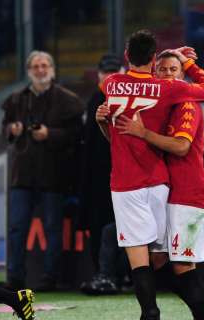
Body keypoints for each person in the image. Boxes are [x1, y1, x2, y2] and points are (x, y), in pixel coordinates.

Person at [95, 29, 204, 320]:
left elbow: (176, 145)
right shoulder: (169, 89)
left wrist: (124, 125)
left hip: (130, 184)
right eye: (162, 67)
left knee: (147, 259)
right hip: (161, 184)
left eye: (172, 69)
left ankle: (152, 313)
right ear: (153, 61)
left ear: (126, 57)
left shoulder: (110, 83)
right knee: (162, 260)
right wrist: (185, 61)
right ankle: (201, 314)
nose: (167, 73)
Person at [0, 50, 85, 292]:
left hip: (54, 173)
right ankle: (14, 277)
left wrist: (50, 134)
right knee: (16, 227)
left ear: (53, 69)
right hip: (22, 174)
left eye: (44, 65)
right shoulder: (16, 99)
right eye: (36, 66)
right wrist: (12, 130)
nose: (40, 70)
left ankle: (50, 278)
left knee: (53, 228)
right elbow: (4, 130)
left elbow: (77, 135)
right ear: (29, 71)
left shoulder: (68, 100)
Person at [80, 53, 124, 273]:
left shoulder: (126, 100)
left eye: (115, 72)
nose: (111, 76)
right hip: (99, 177)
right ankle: (103, 272)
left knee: (124, 226)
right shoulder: (94, 101)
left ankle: (124, 273)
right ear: (99, 75)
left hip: (123, 174)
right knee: (100, 225)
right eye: (107, 72)